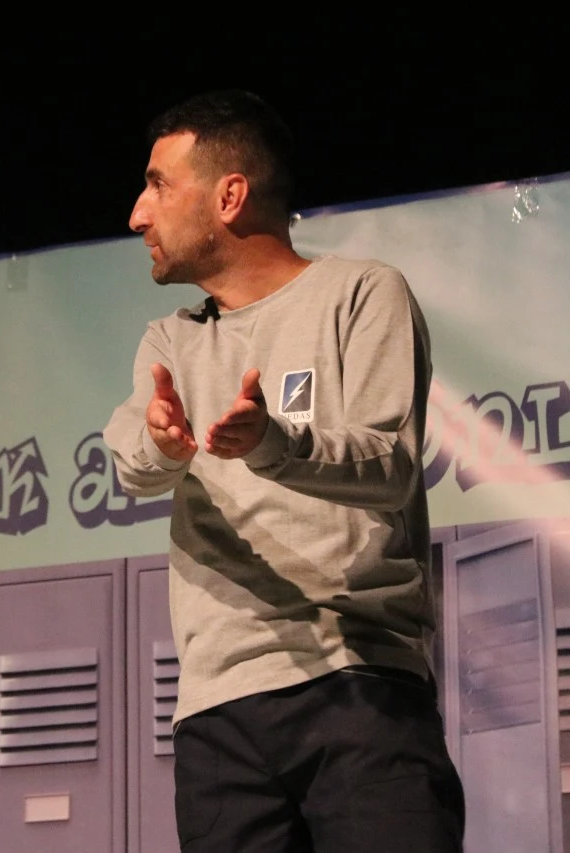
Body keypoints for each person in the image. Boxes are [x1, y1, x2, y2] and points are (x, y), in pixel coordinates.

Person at [103, 90, 465, 852]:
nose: (138, 214)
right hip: (219, 715)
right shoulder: (170, 340)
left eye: (158, 185)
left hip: (361, 684)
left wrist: (274, 443)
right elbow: (132, 459)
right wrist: (163, 445)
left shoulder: (361, 294)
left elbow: (392, 462)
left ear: (229, 196)